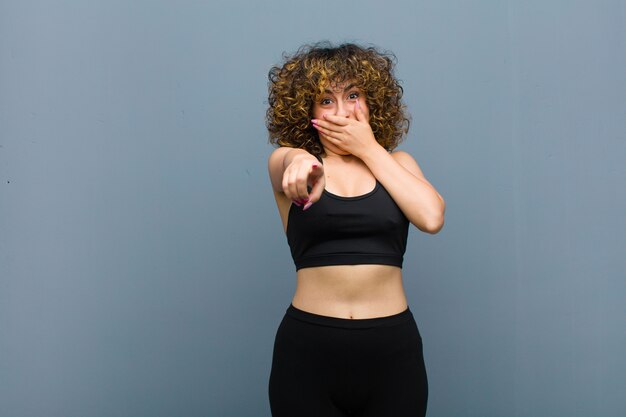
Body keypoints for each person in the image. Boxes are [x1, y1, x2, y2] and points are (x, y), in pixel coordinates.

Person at [265, 42, 445, 417]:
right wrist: (299, 158)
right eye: (326, 100)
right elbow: (287, 161)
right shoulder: (290, 163)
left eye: (353, 95)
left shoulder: (398, 163)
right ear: (308, 110)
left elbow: (431, 217)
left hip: (393, 353)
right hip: (307, 352)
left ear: (372, 100)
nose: (343, 111)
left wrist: (369, 149)